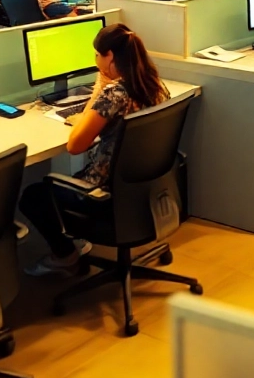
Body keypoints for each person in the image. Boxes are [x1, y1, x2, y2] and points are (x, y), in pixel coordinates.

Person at [18, 23, 169, 275]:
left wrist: (98, 92)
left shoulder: (114, 93)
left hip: (104, 194)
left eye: (97, 54)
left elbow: (75, 145)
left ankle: (65, 256)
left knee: (33, 196)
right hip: (145, 190)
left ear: (110, 56)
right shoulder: (153, 85)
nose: (95, 59)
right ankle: (76, 241)